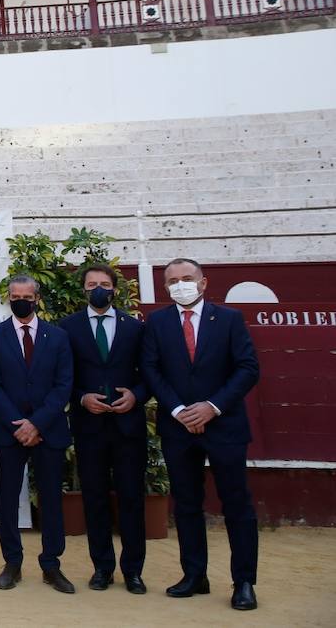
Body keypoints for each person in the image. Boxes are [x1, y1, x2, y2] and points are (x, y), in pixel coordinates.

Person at [142, 258, 260, 611]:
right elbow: (150, 369)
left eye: (187, 278)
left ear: (204, 282)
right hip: (178, 428)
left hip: (224, 425)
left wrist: (212, 406)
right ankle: (195, 576)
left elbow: (247, 368)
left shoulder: (229, 319)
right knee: (187, 504)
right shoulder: (157, 322)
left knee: (236, 505)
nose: (181, 285)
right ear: (165, 288)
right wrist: (179, 410)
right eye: (173, 281)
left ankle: (244, 582)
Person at [0, 274, 75, 594]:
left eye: (26, 295)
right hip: (9, 432)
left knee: (51, 499)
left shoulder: (58, 337)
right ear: (8, 298)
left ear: (37, 298)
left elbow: (64, 385)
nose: (20, 300)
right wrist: (19, 424)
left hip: (48, 431)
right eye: (14, 295)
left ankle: (51, 564)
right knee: (8, 499)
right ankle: (12, 562)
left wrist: (37, 424)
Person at [61, 263, 149, 595]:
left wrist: (137, 396)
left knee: (131, 499)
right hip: (89, 427)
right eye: (92, 283)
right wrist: (81, 398)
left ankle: (133, 570)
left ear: (114, 288)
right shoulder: (67, 328)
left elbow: (149, 373)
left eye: (105, 283)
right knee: (94, 499)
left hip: (128, 427)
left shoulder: (134, 327)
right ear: (84, 289)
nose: (99, 288)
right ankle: (102, 568)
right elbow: (61, 379)